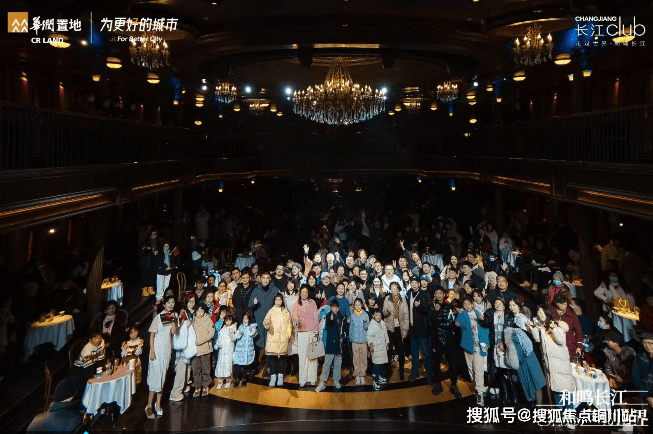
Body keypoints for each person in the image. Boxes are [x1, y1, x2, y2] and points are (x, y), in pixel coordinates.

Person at [528, 305, 576, 416]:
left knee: (565, 391)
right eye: (538, 313)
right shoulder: (542, 327)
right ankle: (559, 415)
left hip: (561, 364)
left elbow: (561, 341)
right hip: (550, 364)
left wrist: (553, 328)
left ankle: (570, 417)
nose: (540, 315)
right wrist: (534, 328)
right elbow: (537, 339)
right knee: (555, 390)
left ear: (547, 313)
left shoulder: (556, 325)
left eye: (542, 312)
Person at [145, 295, 178, 419]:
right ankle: (149, 406)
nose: (171, 304)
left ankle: (158, 404)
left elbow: (173, 332)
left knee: (162, 377)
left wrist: (174, 320)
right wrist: (152, 351)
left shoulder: (172, 317)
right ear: (164, 304)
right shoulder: (158, 317)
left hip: (166, 350)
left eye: (173, 302)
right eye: (168, 302)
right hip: (157, 350)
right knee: (154, 377)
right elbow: (152, 335)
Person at [478, 298, 515, 403]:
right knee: (496, 368)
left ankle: (511, 395)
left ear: (504, 305)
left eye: (499, 303)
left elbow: (511, 331)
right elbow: (486, 325)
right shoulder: (491, 314)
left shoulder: (508, 315)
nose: (497, 305)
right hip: (494, 345)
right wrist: (482, 319)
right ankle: (502, 392)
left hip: (504, 346)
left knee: (506, 369)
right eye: (495, 303)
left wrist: (505, 343)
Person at [455, 297, 490, 406]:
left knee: (478, 369)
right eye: (464, 304)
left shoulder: (479, 313)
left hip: (479, 346)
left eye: (468, 303)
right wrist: (457, 323)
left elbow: (485, 328)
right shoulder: (462, 315)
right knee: (471, 369)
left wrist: (486, 344)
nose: (467, 306)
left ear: (472, 304)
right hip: (468, 346)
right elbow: (458, 323)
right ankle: (476, 388)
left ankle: (480, 393)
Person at [169, 295, 196, 402]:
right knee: (181, 368)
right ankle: (175, 392)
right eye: (189, 301)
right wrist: (186, 325)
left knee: (188, 368)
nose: (191, 303)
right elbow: (178, 327)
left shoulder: (194, 312)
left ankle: (184, 386)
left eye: (193, 301)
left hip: (190, 344)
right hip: (183, 345)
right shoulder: (182, 313)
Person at [408, 276, 434, 385]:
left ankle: (429, 376)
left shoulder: (425, 294)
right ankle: (415, 372)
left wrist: (419, 306)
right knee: (414, 352)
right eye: (412, 283)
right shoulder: (409, 293)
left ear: (418, 283)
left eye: (415, 282)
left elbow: (428, 310)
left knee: (426, 353)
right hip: (412, 328)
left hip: (422, 328)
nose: (414, 284)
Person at [248, 272, 280, 361]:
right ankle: (257, 365)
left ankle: (269, 365)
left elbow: (280, 303)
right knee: (258, 343)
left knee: (270, 343)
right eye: (263, 278)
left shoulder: (275, 290)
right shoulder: (256, 290)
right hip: (259, 320)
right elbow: (249, 305)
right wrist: (253, 303)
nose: (265, 280)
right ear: (260, 279)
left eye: (267, 278)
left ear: (270, 279)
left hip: (271, 320)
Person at [316, 299, 346, 392]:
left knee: (338, 363)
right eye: (333, 307)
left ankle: (336, 380)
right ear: (331, 307)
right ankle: (323, 382)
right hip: (330, 344)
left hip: (338, 344)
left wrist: (343, 337)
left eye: (336, 307)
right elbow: (328, 325)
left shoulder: (341, 317)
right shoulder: (328, 316)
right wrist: (330, 320)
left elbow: (344, 329)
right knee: (327, 364)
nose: (335, 309)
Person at [293, 285, 319, 388]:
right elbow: (294, 316)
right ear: (300, 293)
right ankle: (303, 379)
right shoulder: (297, 304)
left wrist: (316, 331)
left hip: (311, 332)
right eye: (302, 292)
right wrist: (297, 321)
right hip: (302, 333)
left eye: (306, 292)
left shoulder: (312, 302)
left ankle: (312, 378)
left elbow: (315, 317)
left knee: (312, 356)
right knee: (303, 356)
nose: (304, 294)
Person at [264, 293, 293, 387]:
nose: (278, 302)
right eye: (276, 300)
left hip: (283, 339)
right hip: (273, 338)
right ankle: (273, 377)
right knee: (272, 359)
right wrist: (267, 325)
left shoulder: (285, 311)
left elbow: (289, 324)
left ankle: (280, 376)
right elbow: (266, 320)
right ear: (274, 301)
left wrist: (288, 334)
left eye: (280, 300)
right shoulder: (271, 311)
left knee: (282, 359)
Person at [382, 282, 409, 381]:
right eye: (392, 288)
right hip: (389, 329)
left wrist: (405, 331)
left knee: (401, 352)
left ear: (398, 290)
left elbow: (406, 316)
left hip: (399, 329)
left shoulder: (403, 300)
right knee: (388, 351)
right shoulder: (387, 299)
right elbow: (383, 313)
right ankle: (388, 372)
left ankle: (401, 372)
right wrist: (387, 311)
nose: (393, 290)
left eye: (395, 288)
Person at [192, 302, 215, 397]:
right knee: (196, 369)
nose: (200, 313)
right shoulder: (194, 320)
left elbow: (211, 333)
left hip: (205, 348)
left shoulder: (208, 319)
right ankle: (197, 386)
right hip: (195, 350)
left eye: (201, 311)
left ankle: (206, 385)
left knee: (206, 368)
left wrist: (200, 341)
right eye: (198, 311)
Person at [550, 294, 583, 359]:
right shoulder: (552, 312)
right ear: (556, 304)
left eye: (565, 303)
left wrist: (579, 346)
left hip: (570, 343)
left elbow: (578, 330)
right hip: (556, 344)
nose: (564, 305)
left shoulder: (571, 314)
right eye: (562, 304)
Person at [367, 308, 390, 390]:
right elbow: (369, 336)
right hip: (376, 348)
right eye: (376, 315)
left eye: (379, 315)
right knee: (376, 365)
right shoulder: (372, 325)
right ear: (373, 316)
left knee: (381, 364)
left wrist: (387, 343)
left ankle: (379, 377)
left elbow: (385, 334)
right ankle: (375, 381)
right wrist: (370, 344)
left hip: (382, 347)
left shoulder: (383, 323)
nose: (378, 317)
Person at [233, 310, 257, 387]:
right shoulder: (241, 326)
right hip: (240, 350)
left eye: (246, 319)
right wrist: (239, 334)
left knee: (245, 366)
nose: (245, 320)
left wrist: (251, 331)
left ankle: (244, 378)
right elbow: (236, 336)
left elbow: (253, 334)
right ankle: (236, 379)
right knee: (237, 365)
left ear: (249, 319)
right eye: (244, 318)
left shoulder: (252, 327)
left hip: (247, 350)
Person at [349, 298, 369, 385]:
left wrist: (365, 322)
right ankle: (357, 375)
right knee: (356, 358)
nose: (357, 307)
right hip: (355, 341)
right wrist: (351, 338)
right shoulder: (352, 315)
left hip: (363, 340)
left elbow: (367, 327)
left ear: (362, 305)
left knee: (363, 358)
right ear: (354, 306)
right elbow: (351, 327)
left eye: (359, 305)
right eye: (356, 305)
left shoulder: (365, 315)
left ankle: (362, 375)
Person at [214, 313, 237, 389]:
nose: (228, 322)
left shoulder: (233, 328)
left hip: (229, 350)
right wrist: (218, 344)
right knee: (221, 365)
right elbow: (219, 338)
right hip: (222, 350)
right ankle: (220, 381)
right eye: (226, 320)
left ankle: (228, 381)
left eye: (230, 320)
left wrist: (231, 334)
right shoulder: (222, 329)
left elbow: (234, 339)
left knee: (228, 366)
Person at [283, 280, 300, 377]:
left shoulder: (297, 295)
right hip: (286, 322)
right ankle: (288, 365)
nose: (290, 285)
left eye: (292, 283)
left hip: (295, 323)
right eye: (288, 283)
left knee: (295, 344)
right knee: (287, 344)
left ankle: (295, 366)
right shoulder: (283, 295)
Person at [632, 332, 653, 405]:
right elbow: (636, 377)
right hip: (645, 395)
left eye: (651, 343)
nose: (647, 346)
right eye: (645, 343)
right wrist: (647, 396)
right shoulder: (640, 357)